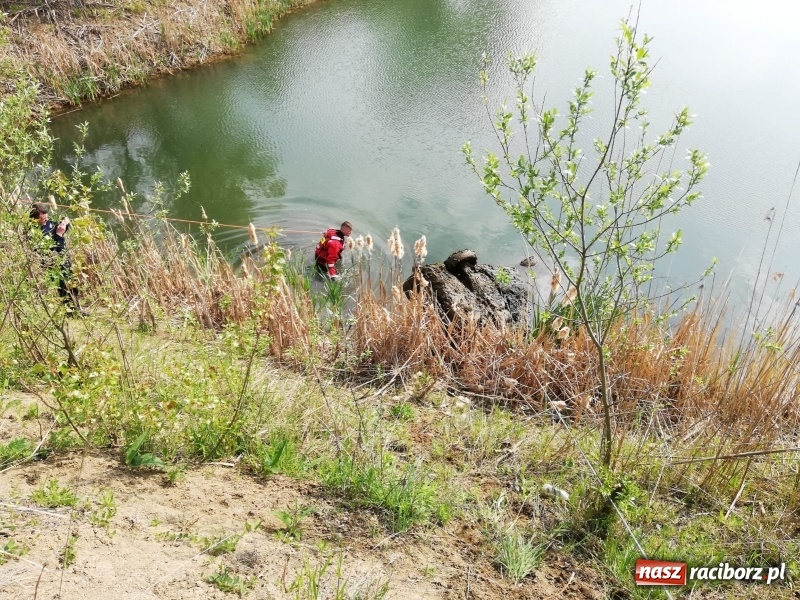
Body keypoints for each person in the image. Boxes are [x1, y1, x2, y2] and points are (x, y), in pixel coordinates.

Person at [29, 202, 86, 316]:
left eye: (47, 218)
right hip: (51, 263)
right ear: (34, 219)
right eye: (43, 219)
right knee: (63, 286)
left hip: (64, 260)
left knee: (72, 285)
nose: (46, 220)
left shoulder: (49, 224)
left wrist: (65, 223)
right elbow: (55, 250)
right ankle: (70, 312)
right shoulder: (32, 233)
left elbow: (60, 228)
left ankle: (76, 310)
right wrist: (59, 235)